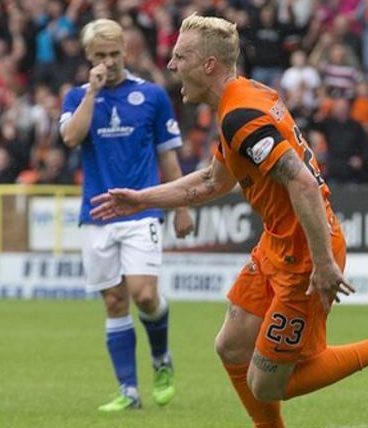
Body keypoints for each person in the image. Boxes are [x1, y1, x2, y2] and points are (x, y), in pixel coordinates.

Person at [89, 14, 368, 427]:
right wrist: (144, 199)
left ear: (209, 65)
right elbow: (212, 181)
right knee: (231, 346)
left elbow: (303, 184)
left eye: (180, 56)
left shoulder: (241, 116)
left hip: (306, 253)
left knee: (267, 384)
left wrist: (323, 264)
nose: (171, 65)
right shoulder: (244, 98)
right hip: (279, 242)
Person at [59, 19, 195, 411]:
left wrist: (181, 206)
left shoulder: (151, 96)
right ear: (89, 58)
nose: (109, 61)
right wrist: (92, 92)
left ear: (126, 52)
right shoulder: (76, 98)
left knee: (144, 294)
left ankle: (161, 359)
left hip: (141, 211)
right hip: (96, 214)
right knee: (115, 302)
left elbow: (168, 158)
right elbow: (71, 137)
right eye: (100, 55)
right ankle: (129, 392)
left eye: (114, 54)